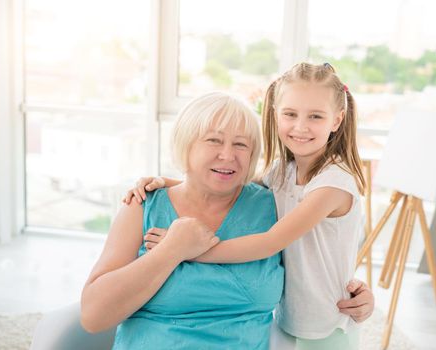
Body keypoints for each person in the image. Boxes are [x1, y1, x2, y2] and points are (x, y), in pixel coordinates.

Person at [82, 91, 373, 350]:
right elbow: (93, 317)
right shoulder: (144, 205)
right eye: (214, 140)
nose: (228, 155)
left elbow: (315, 256)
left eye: (241, 145)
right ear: (186, 145)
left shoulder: (271, 204)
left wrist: (355, 291)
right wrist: (172, 250)